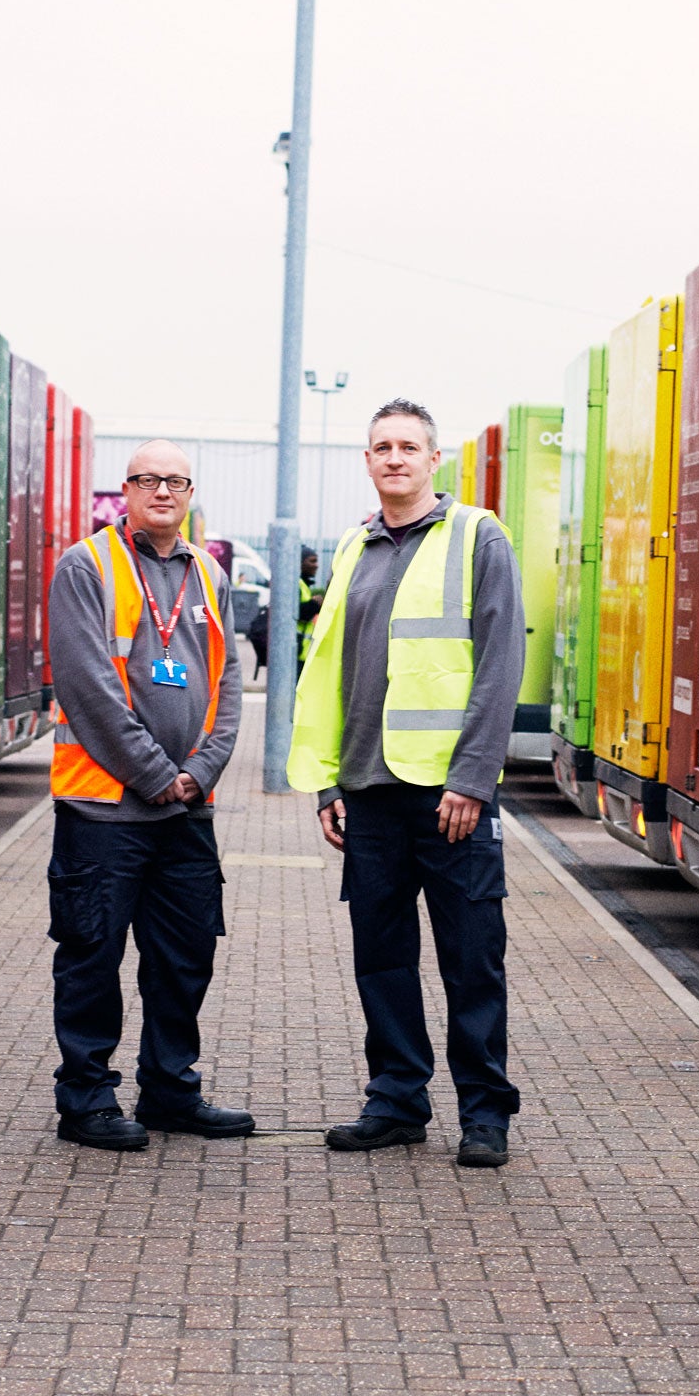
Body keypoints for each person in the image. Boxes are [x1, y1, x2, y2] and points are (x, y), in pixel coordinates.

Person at [287, 398, 525, 1167]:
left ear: (433, 459)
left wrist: (473, 778)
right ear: (368, 461)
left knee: (471, 959)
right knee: (382, 959)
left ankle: (485, 1114)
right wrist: (329, 784)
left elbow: (499, 663)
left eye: (408, 447)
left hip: (448, 796)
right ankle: (396, 1100)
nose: (394, 458)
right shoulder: (357, 546)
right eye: (381, 446)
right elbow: (330, 671)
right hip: (369, 793)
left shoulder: (477, 536)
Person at [45, 440, 251, 1151]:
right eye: (148, 479)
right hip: (105, 809)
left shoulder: (209, 574)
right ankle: (88, 1100)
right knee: (92, 953)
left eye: (176, 480)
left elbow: (227, 688)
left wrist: (204, 769)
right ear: (125, 490)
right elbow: (87, 688)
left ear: (191, 492)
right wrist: (158, 774)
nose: (162, 490)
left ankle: (170, 1090)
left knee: (185, 954)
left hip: (189, 809)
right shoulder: (87, 565)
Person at [296, 547, 323, 670]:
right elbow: (294, 614)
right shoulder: (296, 584)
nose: (316, 565)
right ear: (300, 563)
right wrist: (314, 604)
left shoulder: (303, 585)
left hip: (300, 653)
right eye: (312, 561)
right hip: (294, 654)